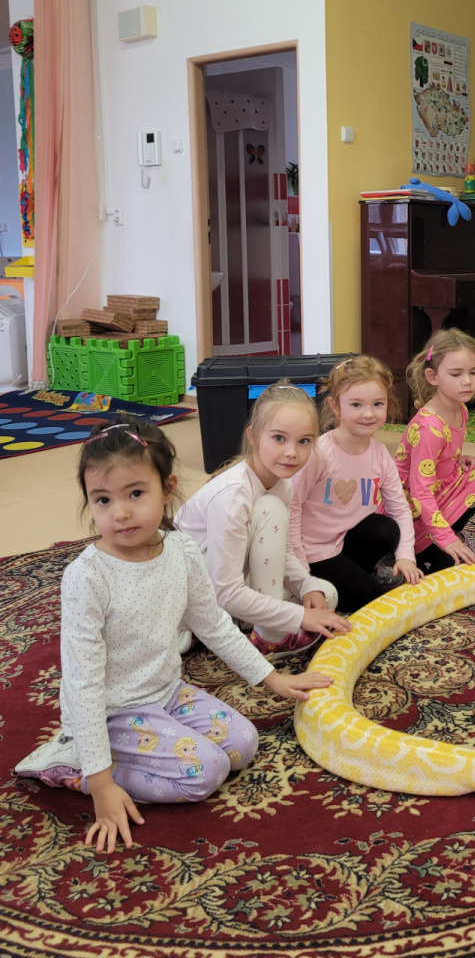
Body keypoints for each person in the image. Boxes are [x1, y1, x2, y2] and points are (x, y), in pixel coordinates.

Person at [15, 414, 334, 854]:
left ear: (167, 489)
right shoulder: (86, 577)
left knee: (243, 744)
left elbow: (213, 623)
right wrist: (101, 784)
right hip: (110, 711)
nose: (120, 513)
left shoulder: (181, 548)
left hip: (166, 691)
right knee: (203, 773)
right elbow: (82, 683)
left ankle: (122, 750)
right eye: (103, 499)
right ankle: (74, 763)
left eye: (136, 493)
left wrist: (271, 678)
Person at [175, 381, 351, 655]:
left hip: (226, 584)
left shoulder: (283, 482)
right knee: (269, 508)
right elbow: (226, 591)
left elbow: (283, 550)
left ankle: (243, 622)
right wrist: (298, 617)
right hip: (188, 599)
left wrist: (307, 586)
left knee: (325, 594)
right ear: (253, 436)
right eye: (279, 438)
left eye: (304, 441)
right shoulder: (233, 494)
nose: (292, 452)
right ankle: (270, 635)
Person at [289, 355, 419, 613]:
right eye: (356, 404)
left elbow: (400, 509)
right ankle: (328, 583)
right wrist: (302, 575)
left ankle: (353, 574)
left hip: (345, 542)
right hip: (314, 551)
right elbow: (291, 509)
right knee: (369, 599)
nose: (368, 414)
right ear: (335, 406)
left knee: (386, 529)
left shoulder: (380, 454)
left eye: (377, 404)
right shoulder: (319, 454)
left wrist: (406, 556)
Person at [394, 328, 475, 570]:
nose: (468, 381)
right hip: (410, 504)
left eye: (474, 372)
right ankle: (422, 544)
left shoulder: (460, 409)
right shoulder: (429, 427)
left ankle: (446, 534)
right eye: (456, 374)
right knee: (449, 564)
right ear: (433, 377)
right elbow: (420, 490)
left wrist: (457, 459)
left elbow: (441, 454)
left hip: (437, 489)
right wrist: (444, 539)